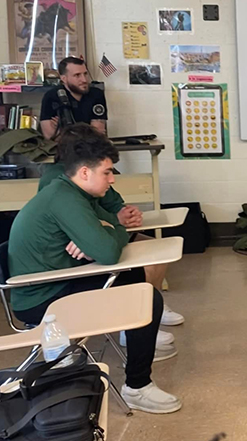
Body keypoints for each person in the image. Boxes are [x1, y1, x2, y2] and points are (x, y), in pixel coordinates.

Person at [7, 124, 182, 414]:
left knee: (135, 277)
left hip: (52, 281)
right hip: (40, 298)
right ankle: (137, 387)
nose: (112, 179)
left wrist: (107, 229)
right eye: (107, 172)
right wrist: (108, 231)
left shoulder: (76, 193)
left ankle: (133, 341)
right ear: (85, 172)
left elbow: (112, 230)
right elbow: (110, 251)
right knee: (148, 297)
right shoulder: (64, 198)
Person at [37, 131, 186, 344]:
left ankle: (151, 310)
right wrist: (112, 223)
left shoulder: (94, 174)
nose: (111, 178)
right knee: (132, 269)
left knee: (155, 250)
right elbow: (77, 223)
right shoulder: (58, 182)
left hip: (104, 232)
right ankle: (133, 325)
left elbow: (113, 203)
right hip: (80, 246)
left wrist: (124, 214)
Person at [39, 57, 108, 141]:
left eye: (85, 74)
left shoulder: (96, 94)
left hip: (91, 151)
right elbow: (49, 135)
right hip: (62, 151)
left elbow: (97, 134)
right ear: (64, 78)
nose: (84, 80)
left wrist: (63, 130)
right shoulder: (51, 96)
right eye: (77, 75)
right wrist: (88, 130)